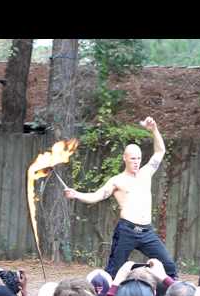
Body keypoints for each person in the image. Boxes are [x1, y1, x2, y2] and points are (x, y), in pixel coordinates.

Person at [64, 117, 177, 279]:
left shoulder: (146, 173)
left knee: (169, 266)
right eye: (133, 158)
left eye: (138, 158)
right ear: (125, 158)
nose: (137, 162)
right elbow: (97, 196)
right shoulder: (117, 180)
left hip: (147, 232)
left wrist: (154, 129)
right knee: (113, 272)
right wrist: (76, 194)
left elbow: (160, 151)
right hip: (127, 231)